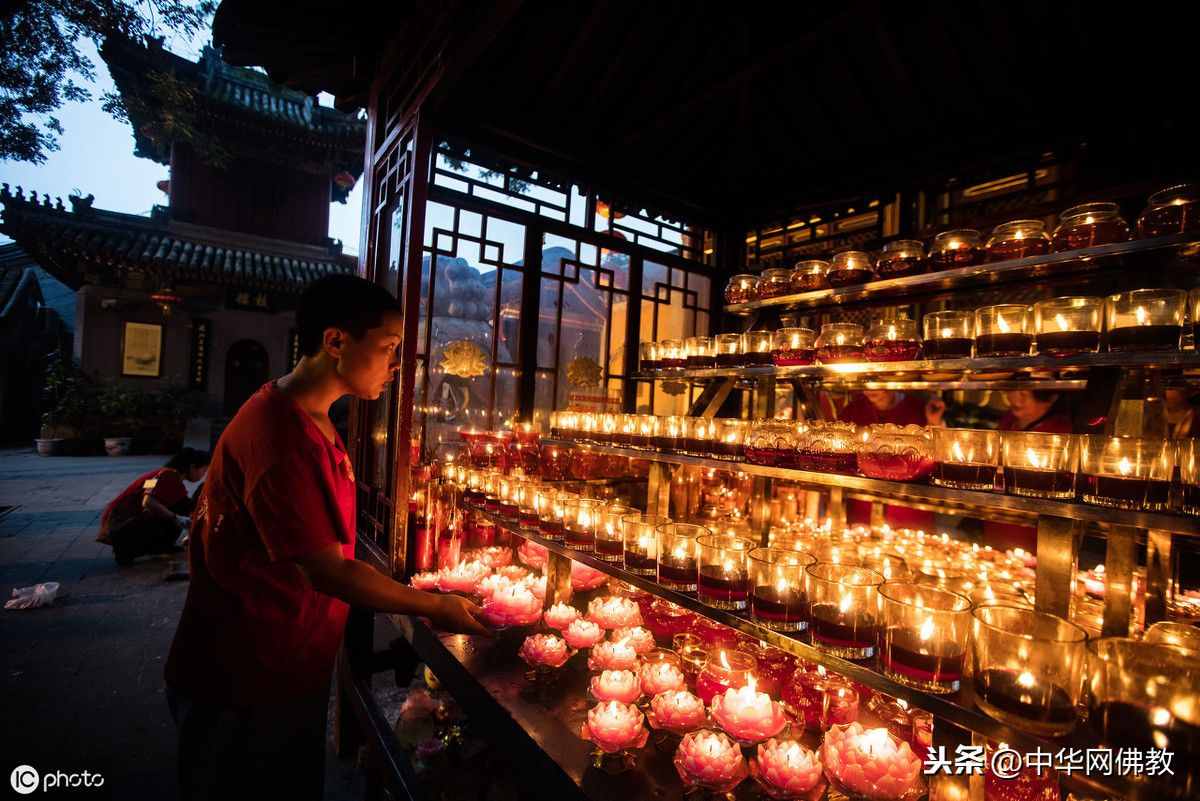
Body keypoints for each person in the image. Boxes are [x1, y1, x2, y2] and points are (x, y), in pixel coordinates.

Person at [164, 274, 490, 801]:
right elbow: (327, 569)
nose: (396, 364)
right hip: (244, 676)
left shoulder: (311, 416)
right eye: (387, 347)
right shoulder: (281, 437)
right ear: (335, 341)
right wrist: (434, 605)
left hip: (286, 663)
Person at [841, 390, 945, 530]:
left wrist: (934, 422)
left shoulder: (919, 408)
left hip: (908, 509)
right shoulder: (854, 408)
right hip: (863, 506)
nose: (871, 388)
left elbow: (940, 453)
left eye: (878, 379)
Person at [984, 390, 1074, 551]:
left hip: (1036, 530)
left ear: (1051, 397)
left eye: (1025, 394)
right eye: (1015, 389)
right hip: (999, 519)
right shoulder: (1008, 420)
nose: (1015, 398)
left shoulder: (1061, 430)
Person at [97, 447, 210, 565]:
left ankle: (157, 547)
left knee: (177, 508)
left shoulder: (161, 474)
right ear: (192, 467)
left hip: (117, 524)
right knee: (172, 517)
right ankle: (128, 549)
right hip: (123, 525)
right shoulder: (168, 475)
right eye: (204, 470)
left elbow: (178, 504)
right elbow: (147, 501)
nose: (203, 475)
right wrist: (175, 518)